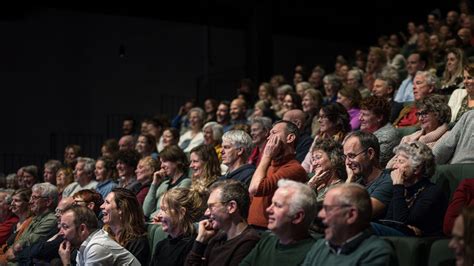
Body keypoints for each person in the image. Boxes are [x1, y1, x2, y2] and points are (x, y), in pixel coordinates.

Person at [302, 183, 395, 265]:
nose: (320, 214)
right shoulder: (321, 245)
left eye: (327, 209)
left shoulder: (376, 253)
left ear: (351, 215)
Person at [241, 180, 318, 265]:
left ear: (297, 217)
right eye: (271, 203)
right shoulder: (267, 239)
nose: (268, 209)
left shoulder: (314, 255)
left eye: (277, 205)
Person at [248, 120, 308, 229]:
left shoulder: (294, 169)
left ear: (290, 138)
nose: (268, 138)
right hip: (253, 227)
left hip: (270, 231)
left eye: (274, 133)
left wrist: (266, 156)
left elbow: (255, 189)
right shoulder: (268, 165)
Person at [185, 180, 260, 266]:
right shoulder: (217, 237)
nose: (206, 213)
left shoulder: (249, 243)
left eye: (211, 206)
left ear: (231, 207)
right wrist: (201, 240)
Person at [385, 141, 447, 236]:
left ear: (417, 168)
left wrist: (398, 187)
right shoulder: (402, 189)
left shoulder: (432, 192)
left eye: (400, 162)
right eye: (396, 161)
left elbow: (400, 223)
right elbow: (389, 221)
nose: (394, 166)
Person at [58, 206, 140, 265]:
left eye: (65, 227)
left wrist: (66, 262)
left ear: (82, 229)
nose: (60, 232)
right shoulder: (83, 245)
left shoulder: (97, 247)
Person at [150, 187, 208, 266]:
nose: (158, 215)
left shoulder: (193, 246)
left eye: (164, 209)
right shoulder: (161, 245)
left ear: (181, 212)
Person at [343, 131, 393, 219]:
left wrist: (349, 182)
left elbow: (358, 215)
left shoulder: (388, 181)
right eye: (345, 157)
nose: (347, 162)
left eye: (351, 156)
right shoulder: (358, 183)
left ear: (370, 153)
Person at [5, 183, 58, 264]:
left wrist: (13, 249)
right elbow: (20, 240)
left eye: (35, 198)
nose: (30, 201)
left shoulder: (51, 220)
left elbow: (25, 243)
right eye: (31, 197)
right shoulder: (36, 218)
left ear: (48, 202)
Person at [101, 188, 150, 265]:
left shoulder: (138, 243)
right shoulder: (103, 234)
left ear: (121, 209)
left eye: (107, 202)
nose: (101, 206)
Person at [143, 145, 192, 221]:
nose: (162, 166)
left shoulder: (186, 182)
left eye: (165, 161)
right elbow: (146, 211)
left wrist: (157, 216)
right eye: (161, 162)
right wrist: (154, 184)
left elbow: (173, 209)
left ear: (177, 161)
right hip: (154, 221)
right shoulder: (163, 184)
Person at [301, 102, 351, 173]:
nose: (319, 120)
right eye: (319, 117)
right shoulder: (318, 138)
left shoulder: (347, 139)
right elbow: (307, 163)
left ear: (337, 119)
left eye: (323, 117)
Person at [359, 96, 400, 167]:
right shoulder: (367, 132)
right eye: (360, 114)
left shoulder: (387, 137)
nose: (360, 118)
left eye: (365, 115)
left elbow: (371, 165)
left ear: (379, 117)